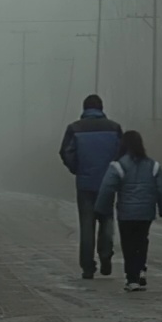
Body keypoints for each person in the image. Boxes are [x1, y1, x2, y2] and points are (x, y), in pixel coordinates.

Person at [95, 130, 162, 292]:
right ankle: (141, 268)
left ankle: (132, 279)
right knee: (142, 240)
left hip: (126, 213)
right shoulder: (153, 166)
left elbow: (107, 189)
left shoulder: (118, 166)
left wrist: (101, 209)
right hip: (146, 213)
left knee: (128, 244)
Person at [59, 94, 123, 279]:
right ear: (101, 108)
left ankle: (88, 267)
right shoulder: (114, 128)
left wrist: (76, 169)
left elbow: (65, 152)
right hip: (108, 183)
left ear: (84, 108)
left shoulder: (74, 128)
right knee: (106, 221)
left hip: (85, 184)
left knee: (87, 225)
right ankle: (105, 255)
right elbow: (122, 153)